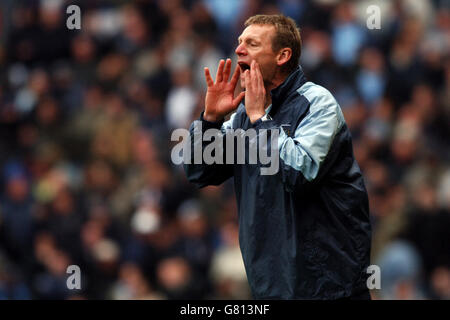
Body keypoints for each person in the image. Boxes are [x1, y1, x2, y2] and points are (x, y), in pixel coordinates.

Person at [184, 14, 372, 300]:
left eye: (252, 43)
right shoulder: (243, 116)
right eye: (239, 42)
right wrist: (210, 119)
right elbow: (199, 172)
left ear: (283, 55)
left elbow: (298, 172)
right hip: (271, 287)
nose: (239, 50)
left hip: (330, 290)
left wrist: (261, 120)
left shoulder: (317, 104)